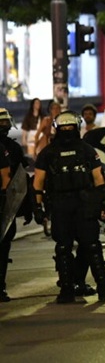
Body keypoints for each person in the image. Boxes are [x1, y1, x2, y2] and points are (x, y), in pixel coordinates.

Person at [32, 111, 105, 304]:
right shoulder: (86, 150)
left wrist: (38, 207)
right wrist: (103, 205)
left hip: (63, 206)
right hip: (83, 204)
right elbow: (99, 180)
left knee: (65, 248)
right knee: (91, 246)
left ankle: (69, 290)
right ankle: (102, 289)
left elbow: (38, 183)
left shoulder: (48, 153)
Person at [0, 108, 23, 301]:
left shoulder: (14, 149)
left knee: (4, 246)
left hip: (6, 203)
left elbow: (19, 180)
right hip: (4, 201)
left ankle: (0, 286)